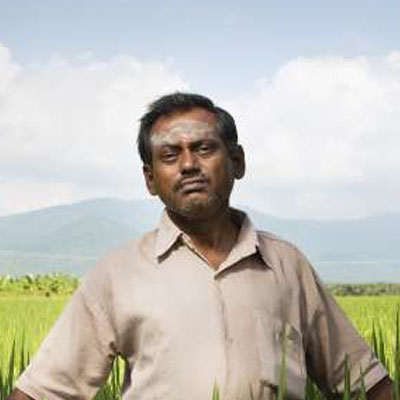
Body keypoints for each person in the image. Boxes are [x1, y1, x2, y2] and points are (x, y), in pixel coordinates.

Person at [8, 93, 394, 400]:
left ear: (237, 161)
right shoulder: (117, 273)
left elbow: (364, 383)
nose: (188, 164)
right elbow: (44, 391)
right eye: (170, 155)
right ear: (150, 179)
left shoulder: (287, 265)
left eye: (204, 148)